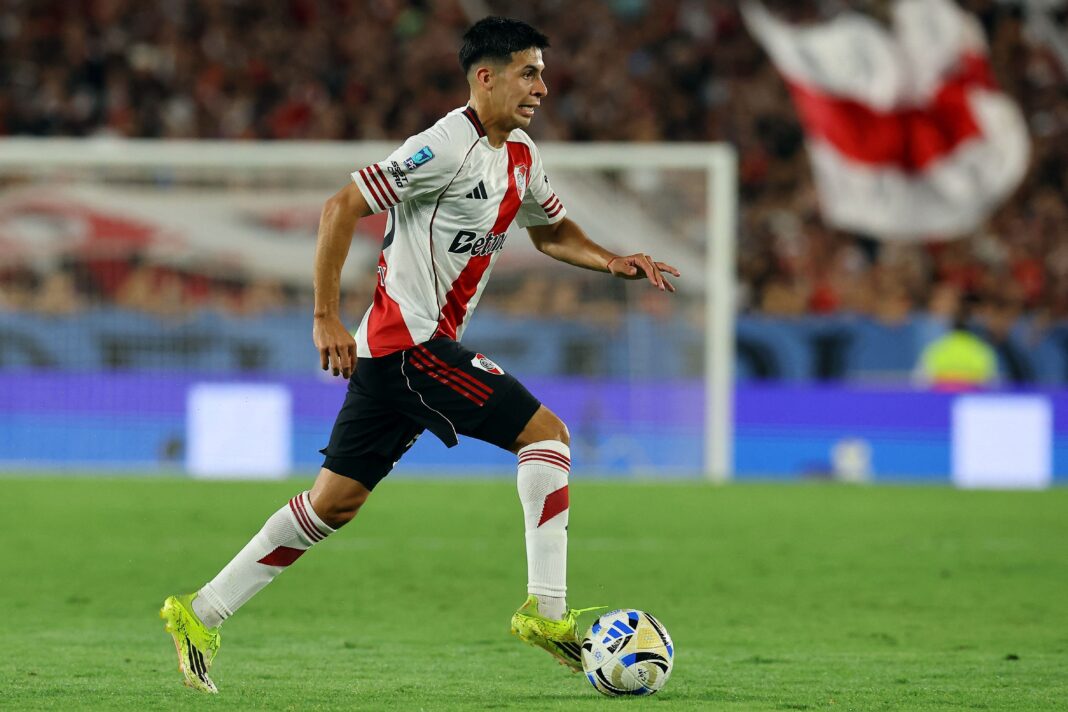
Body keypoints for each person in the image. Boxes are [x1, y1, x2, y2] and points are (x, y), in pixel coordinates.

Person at [160, 16, 680, 694]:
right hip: (411, 347)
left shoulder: (520, 155)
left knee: (332, 505)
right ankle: (546, 612)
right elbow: (339, 208)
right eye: (529, 72)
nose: (543, 87)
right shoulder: (442, 146)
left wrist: (613, 261)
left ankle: (199, 613)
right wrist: (325, 316)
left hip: (398, 357)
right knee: (547, 436)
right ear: (485, 77)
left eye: (543, 73)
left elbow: (551, 231)